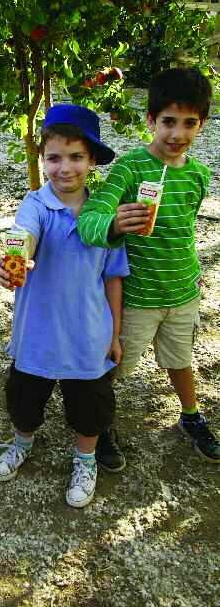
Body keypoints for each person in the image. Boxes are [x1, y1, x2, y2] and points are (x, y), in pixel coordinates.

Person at [78, 67, 220, 465]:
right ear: (151, 120)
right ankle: (98, 425)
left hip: (182, 293)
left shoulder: (198, 175)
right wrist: (113, 222)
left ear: (202, 124)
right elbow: (89, 221)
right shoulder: (130, 168)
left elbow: (184, 229)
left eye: (189, 123)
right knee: (114, 368)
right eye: (168, 122)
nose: (177, 134)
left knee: (180, 360)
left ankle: (191, 417)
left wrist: (190, 271)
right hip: (138, 299)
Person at [0, 104, 130, 508]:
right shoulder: (34, 204)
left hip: (88, 335)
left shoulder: (105, 215)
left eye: (76, 157)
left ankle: (85, 460)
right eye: (54, 157)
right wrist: (16, 260)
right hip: (35, 333)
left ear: (91, 161)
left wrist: (115, 333)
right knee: (24, 400)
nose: (64, 168)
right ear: (42, 158)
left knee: (89, 407)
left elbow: (113, 278)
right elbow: (23, 234)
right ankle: (21, 443)